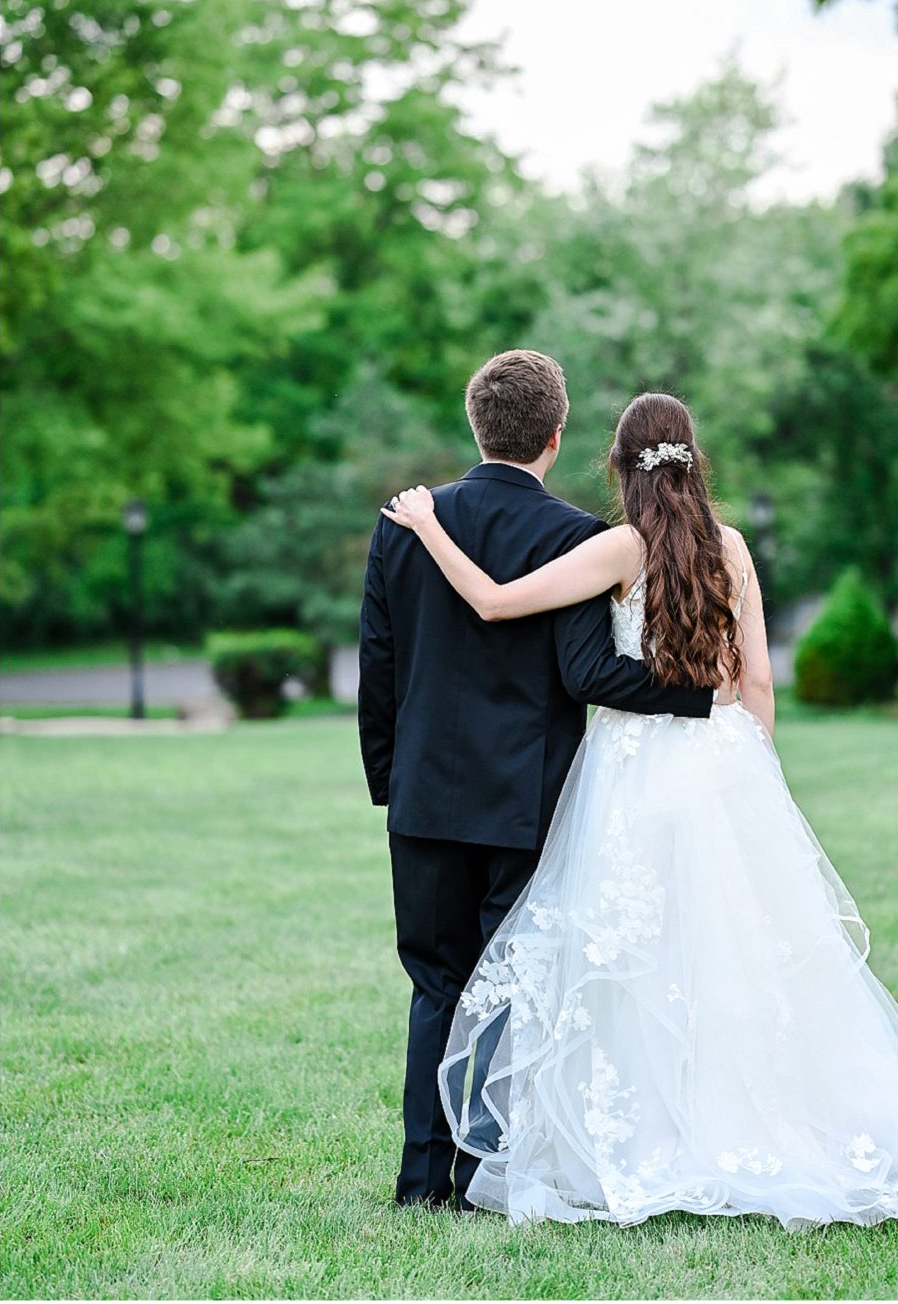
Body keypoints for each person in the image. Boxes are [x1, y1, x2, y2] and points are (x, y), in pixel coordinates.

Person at [380, 389, 898, 1231]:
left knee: (626, 959)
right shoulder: (735, 547)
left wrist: (426, 526)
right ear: (692, 459)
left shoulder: (616, 548)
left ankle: (633, 1135)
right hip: (723, 765)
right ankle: (754, 1126)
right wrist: (757, 777)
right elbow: (755, 680)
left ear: (615, 463)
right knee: (735, 955)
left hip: (631, 769)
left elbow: (496, 602)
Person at [358, 353, 717, 1212]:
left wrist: (390, 780)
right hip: (527, 799)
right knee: (511, 983)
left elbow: (380, 662)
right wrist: (697, 696)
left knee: (435, 982)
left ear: (477, 428)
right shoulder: (573, 535)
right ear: (555, 437)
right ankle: (489, 1171)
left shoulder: (406, 523)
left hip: (424, 798)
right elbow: (584, 671)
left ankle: (420, 1182)